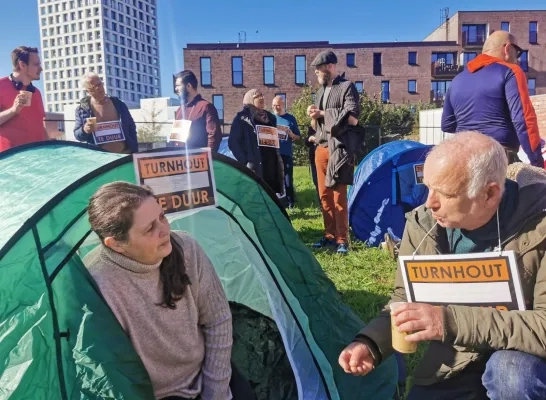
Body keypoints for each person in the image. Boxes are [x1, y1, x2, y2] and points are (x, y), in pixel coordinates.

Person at [339, 131, 546, 400]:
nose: (429, 202)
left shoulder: (539, 226)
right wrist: (370, 343)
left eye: (445, 193)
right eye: (428, 186)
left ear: (490, 194)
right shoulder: (424, 222)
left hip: (525, 358)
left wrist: (446, 321)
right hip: (456, 360)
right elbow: (405, 299)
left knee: (511, 373)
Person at [85, 181, 256, 400]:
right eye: (149, 228)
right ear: (116, 244)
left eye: (162, 216)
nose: (164, 230)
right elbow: (109, 376)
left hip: (204, 374)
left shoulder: (186, 248)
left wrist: (215, 392)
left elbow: (218, 320)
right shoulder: (98, 284)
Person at [441, 30, 543, 168]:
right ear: (507, 48)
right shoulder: (511, 71)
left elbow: (447, 124)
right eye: (517, 52)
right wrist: (536, 162)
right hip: (496, 158)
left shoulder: (457, 80)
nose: (517, 58)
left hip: (462, 159)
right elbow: (523, 119)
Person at [308, 50, 361, 255]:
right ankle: (329, 235)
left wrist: (323, 113)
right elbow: (319, 123)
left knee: (339, 196)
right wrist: (314, 115)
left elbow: (353, 118)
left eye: (319, 70)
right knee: (324, 196)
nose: (316, 74)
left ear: (330, 67)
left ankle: (342, 240)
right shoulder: (320, 92)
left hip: (339, 149)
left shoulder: (347, 87)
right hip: (320, 148)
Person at [228, 89, 284, 198]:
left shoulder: (270, 117)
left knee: (271, 195)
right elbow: (233, 143)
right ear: (250, 99)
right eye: (257, 96)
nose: (262, 98)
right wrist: (245, 161)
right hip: (255, 164)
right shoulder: (241, 118)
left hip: (271, 163)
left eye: (262, 95)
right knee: (256, 196)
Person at [74, 72, 138, 154]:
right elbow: (77, 135)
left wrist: (134, 149)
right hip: (101, 160)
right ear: (88, 91)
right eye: (94, 86)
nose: (99, 88)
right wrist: (85, 130)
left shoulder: (118, 104)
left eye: (100, 84)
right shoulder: (82, 110)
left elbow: (131, 127)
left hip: (124, 155)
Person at [0, 46, 47, 152]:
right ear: (22, 65)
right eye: (36, 64)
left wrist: (49, 148)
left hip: (38, 157)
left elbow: (40, 126)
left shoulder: (37, 92)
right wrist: (13, 110)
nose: (41, 69)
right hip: (11, 160)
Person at [172, 70, 222, 152]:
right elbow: (176, 139)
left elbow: (214, 136)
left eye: (178, 85)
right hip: (180, 161)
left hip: (200, 161)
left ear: (188, 86)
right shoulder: (179, 110)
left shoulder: (205, 107)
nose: (175, 89)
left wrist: (209, 158)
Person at [272, 95, 301, 208]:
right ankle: (277, 201)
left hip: (286, 153)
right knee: (275, 178)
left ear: (283, 104)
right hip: (273, 154)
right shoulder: (270, 117)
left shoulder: (290, 119)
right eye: (274, 105)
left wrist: (292, 135)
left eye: (278, 105)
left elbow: (298, 137)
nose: (276, 108)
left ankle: (290, 202)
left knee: (288, 178)